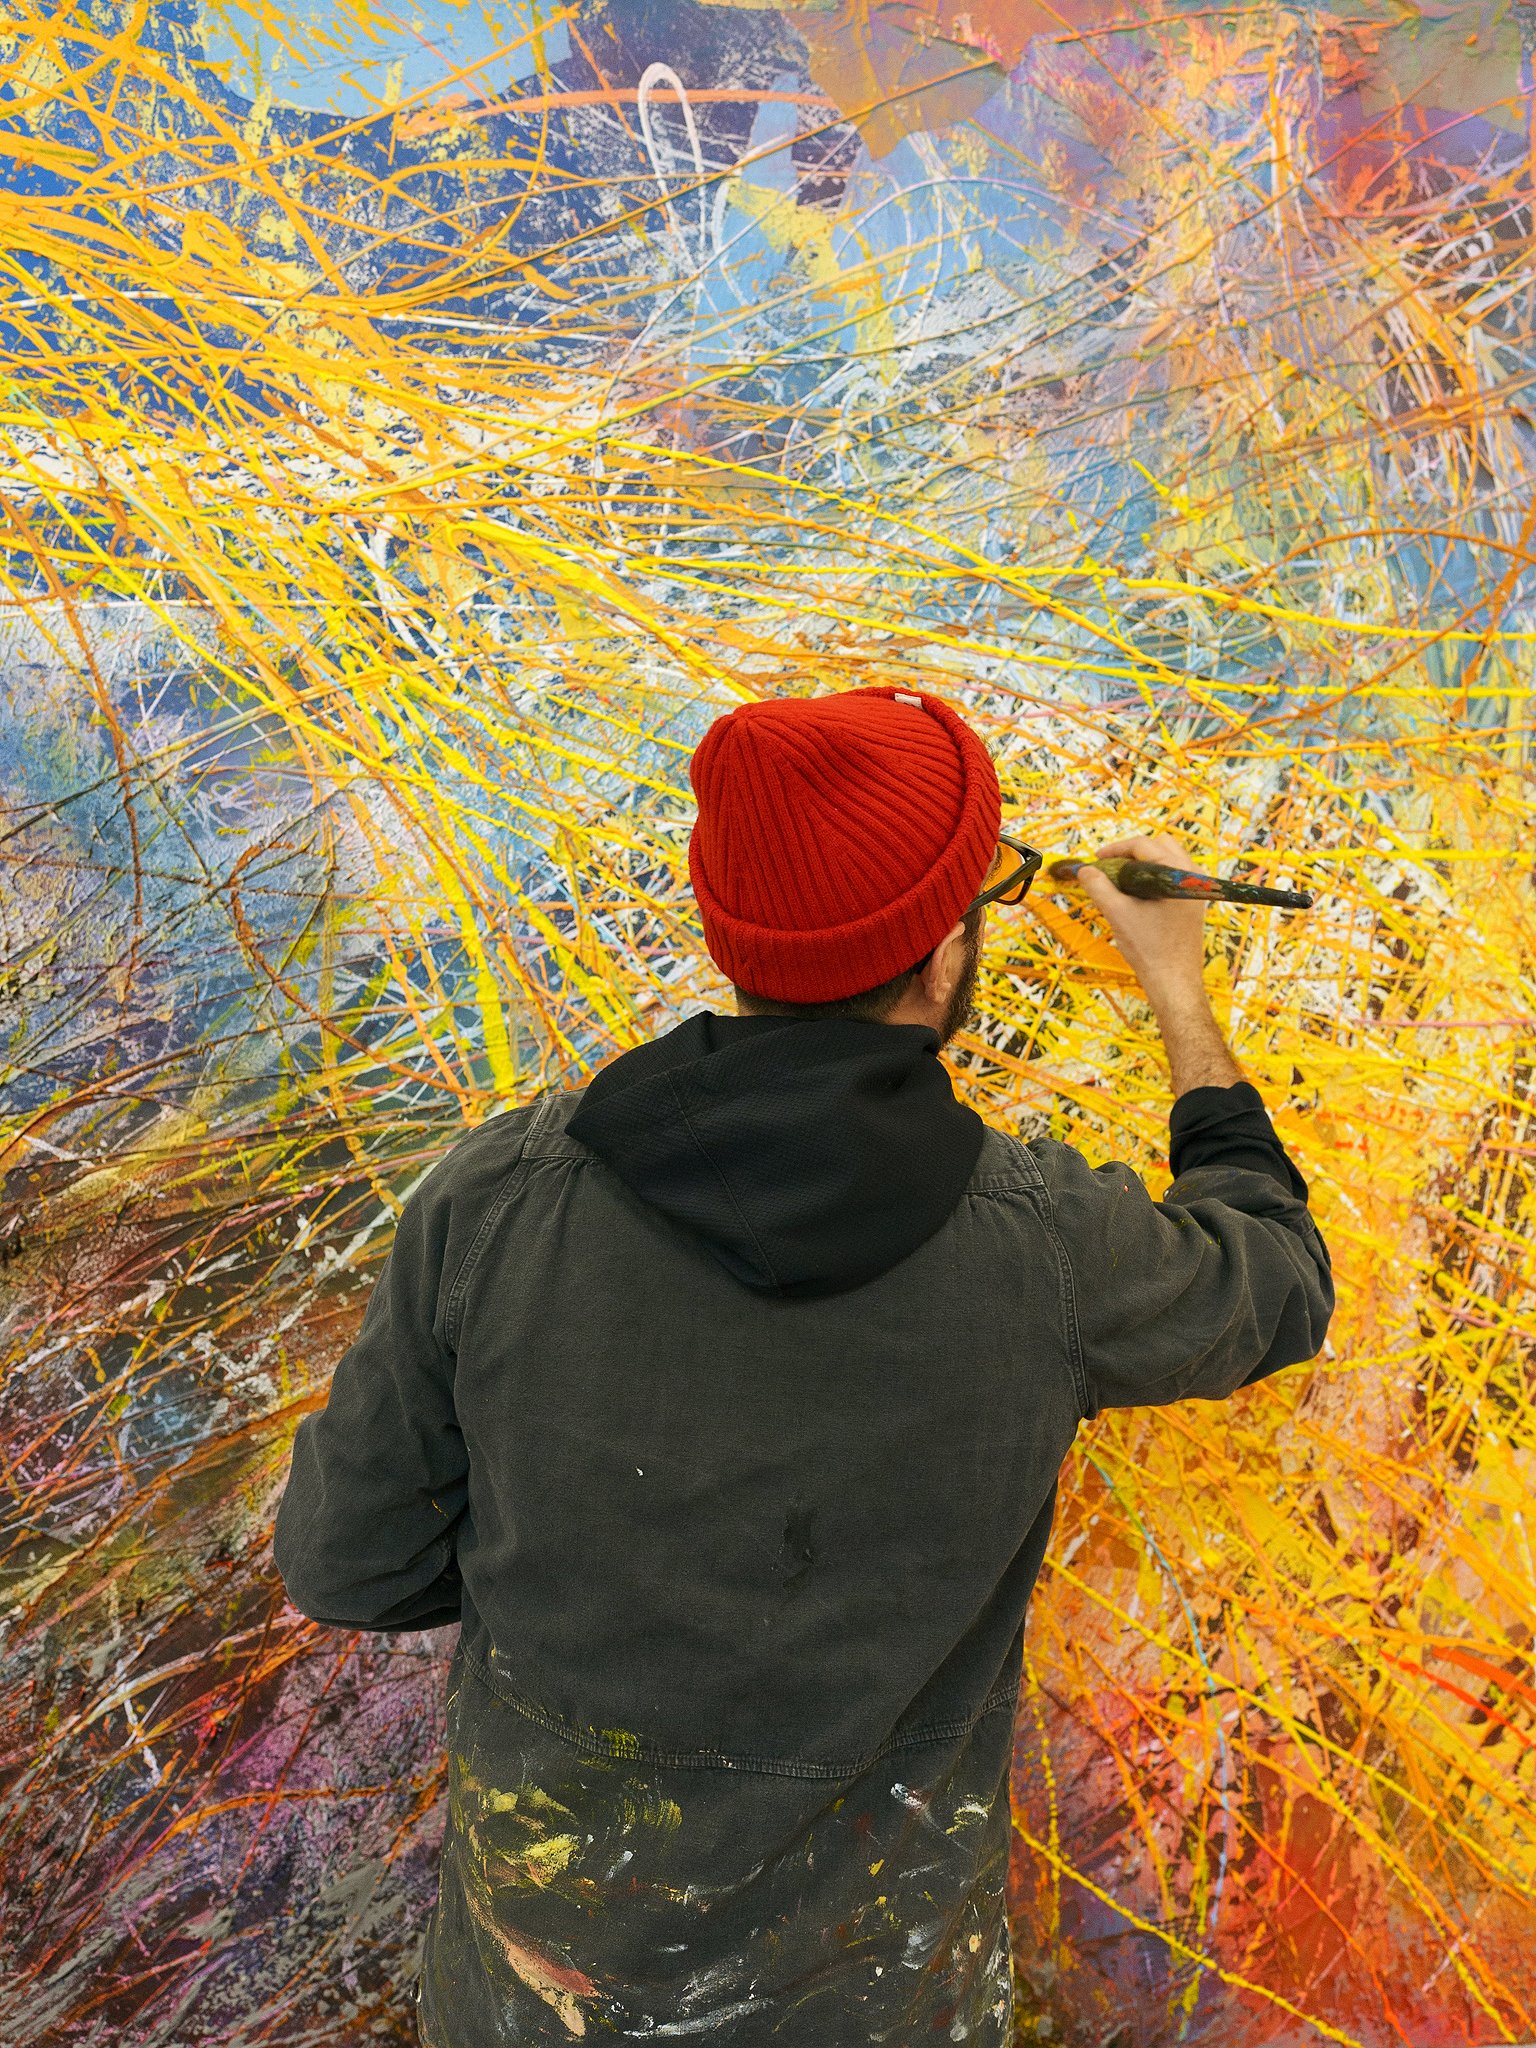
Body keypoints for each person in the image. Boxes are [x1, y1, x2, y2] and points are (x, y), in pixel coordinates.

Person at [274, 684, 1333, 2046]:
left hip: (532, 2011)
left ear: (730, 930)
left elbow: (345, 1563)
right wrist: (1179, 988)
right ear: (943, 957)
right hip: (877, 2009)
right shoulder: (1050, 1253)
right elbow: (1280, 1276)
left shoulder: (496, 1201)